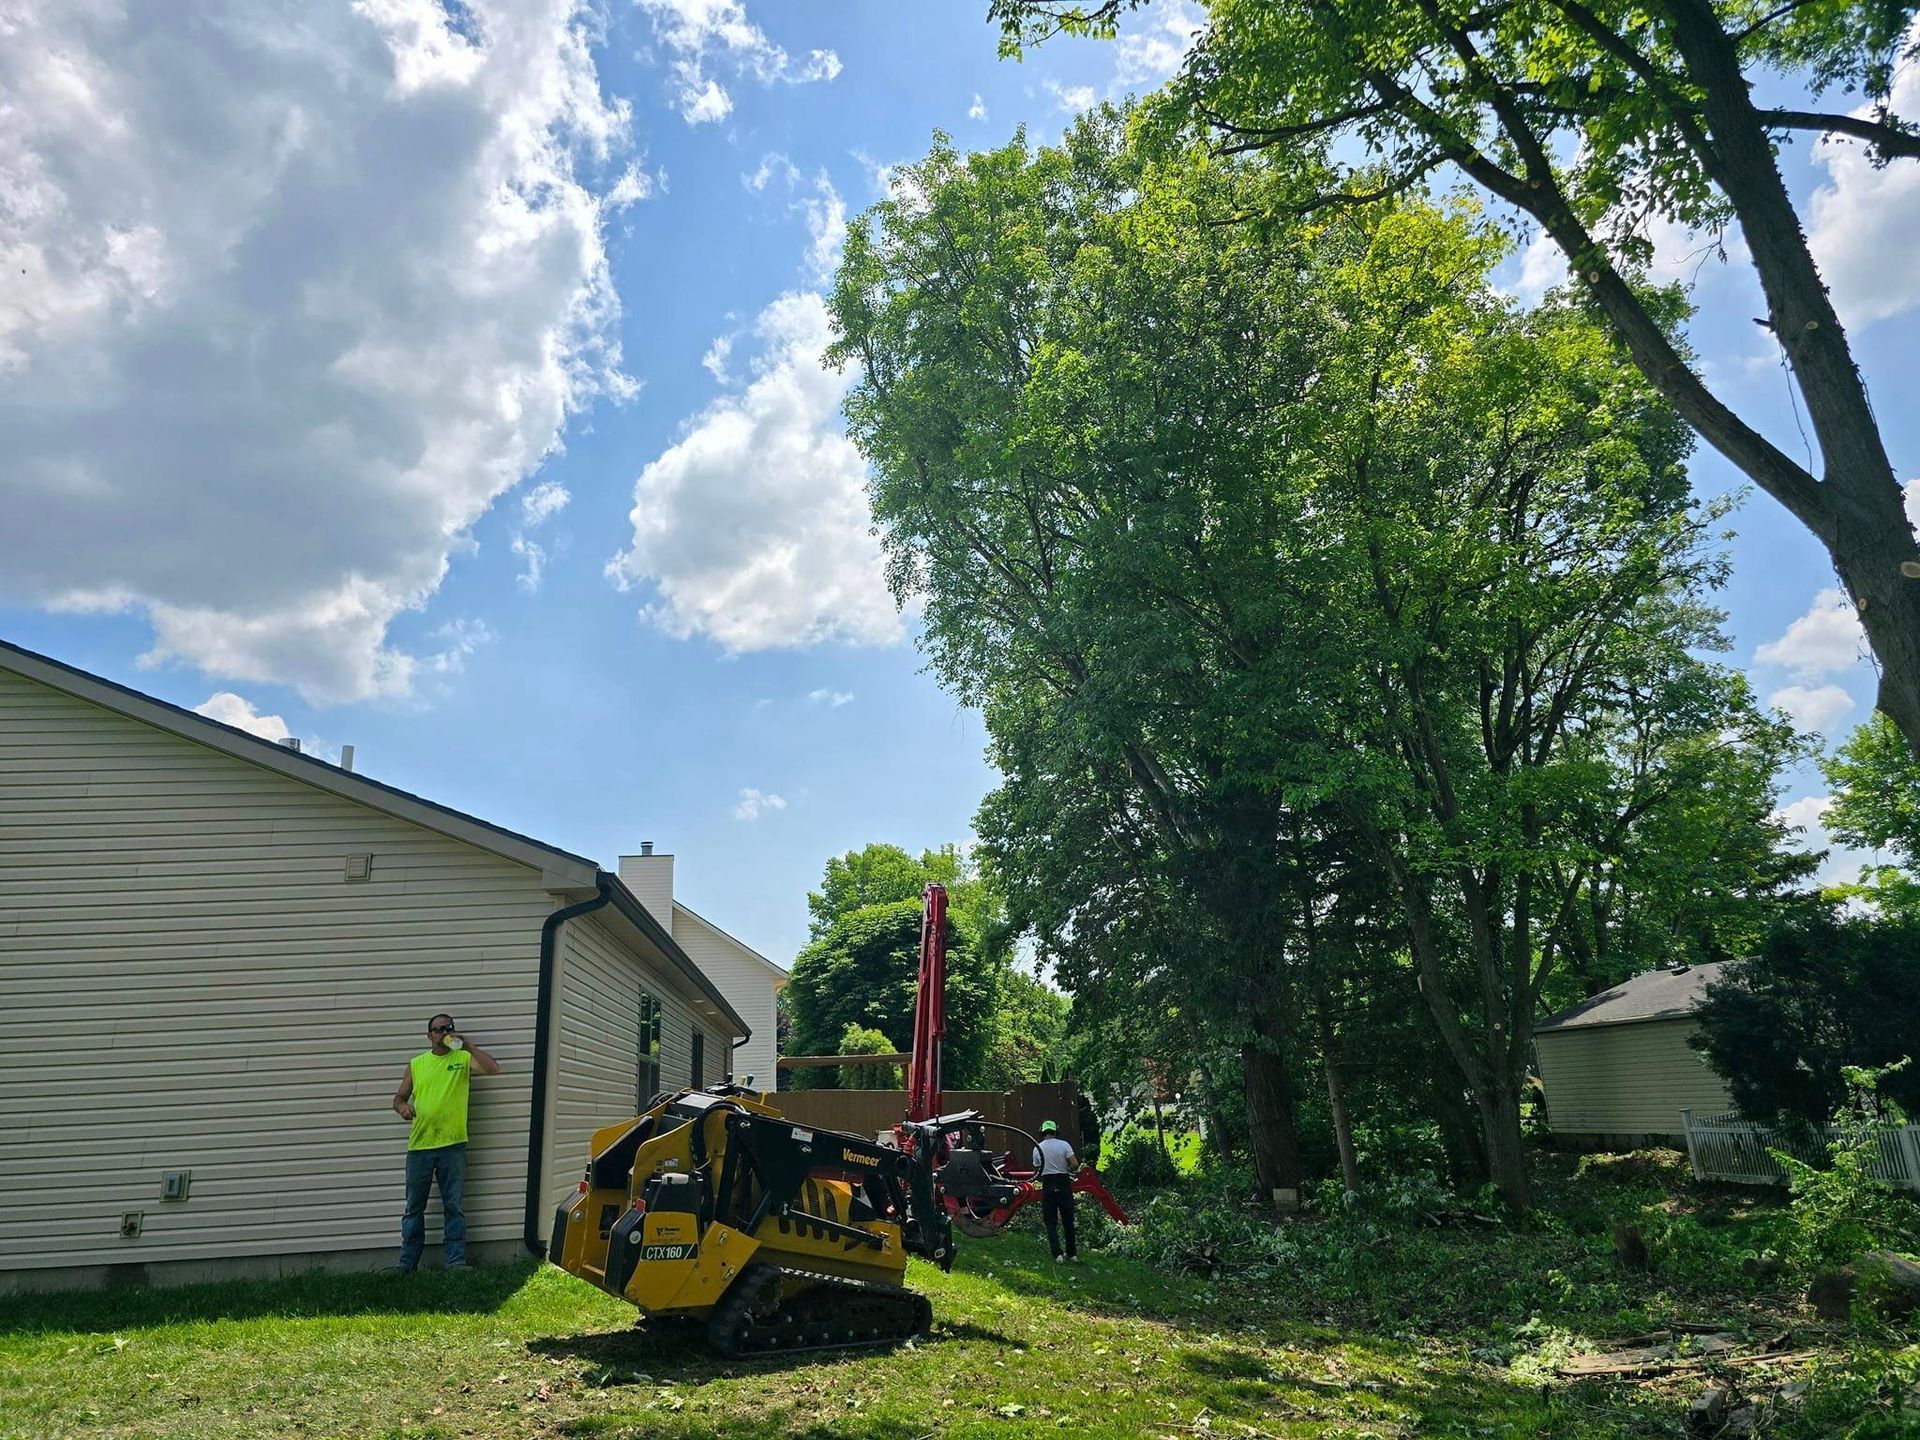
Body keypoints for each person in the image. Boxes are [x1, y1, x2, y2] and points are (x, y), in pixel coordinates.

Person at [392, 1012, 499, 1271]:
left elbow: (492, 1069)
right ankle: (407, 1264)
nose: (442, 1033)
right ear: (429, 1035)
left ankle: (455, 1262)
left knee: (453, 1206)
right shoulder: (417, 1064)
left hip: (453, 1146)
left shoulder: (462, 1059)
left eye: (447, 1028)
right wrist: (403, 1107)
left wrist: (469, 1045)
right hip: (420, 1147)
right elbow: (398, 1097)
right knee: (414, 1208)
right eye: (437, 1029)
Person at [1031, 1119, 1079, 1263]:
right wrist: (1067, 1170)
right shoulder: (1064, 1145)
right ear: (1056, 1131)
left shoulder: (1037, 1148)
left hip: (1048, 1184)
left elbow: (1036, 1170)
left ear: (1042, 1132)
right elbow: (1075, 1164)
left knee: (1050, 1221)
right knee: (1068, 1220)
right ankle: (1072, 1254)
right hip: (1064, 1183)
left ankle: (1057, 1254)